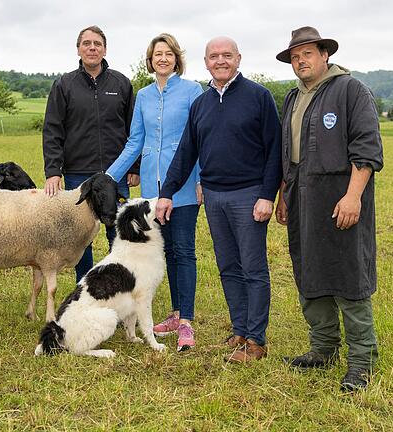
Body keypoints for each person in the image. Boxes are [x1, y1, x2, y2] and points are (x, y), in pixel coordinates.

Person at [155, 37, 282, 362]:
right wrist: (167, 192)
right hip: (214, 196)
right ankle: (239, 331)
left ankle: (256, 341)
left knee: (253, 268)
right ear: (206, 61)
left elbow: (275, 150)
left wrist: (267, 195)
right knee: (228, 267)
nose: (221, 60)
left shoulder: (258, 97)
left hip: (249, 195)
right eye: (214, 56)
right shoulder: (202, 103)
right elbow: (186, 153)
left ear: (239, 58)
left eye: (227, 55)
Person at [274, 26, 383, 391]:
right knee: (310, 271)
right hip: (302, 197)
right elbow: (288, 155)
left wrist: (353, 196)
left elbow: (366, 149)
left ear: (325, 55)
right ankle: (323, 349)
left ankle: (362, 361)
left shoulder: (351, 90)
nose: (300, 60)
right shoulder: (292, 98)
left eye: (307, 53)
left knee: (348, 275)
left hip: (339, 195)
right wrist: (284, 195)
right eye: (294, 56)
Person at [105, 33, 203, 352]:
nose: (162, 58)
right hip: (151, 190)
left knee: (184, 249)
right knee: (167, 251)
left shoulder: (191, 91)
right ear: (150, 60)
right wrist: (108, 177)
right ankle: (173, 314)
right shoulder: (144, 96)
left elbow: (199, 139)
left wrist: (200, 180)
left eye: (168, 53)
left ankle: (186, 321)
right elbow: (135, 141)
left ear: (177, 58)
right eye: (157, 54)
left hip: (185, 184)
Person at [42, 25, 137, 283]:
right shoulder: (64, 85)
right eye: (86, 43)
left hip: (115, 173)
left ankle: (119, 284)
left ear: (105, 49)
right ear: (78, 49)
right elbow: (52, 130)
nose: (92, 48)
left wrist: (134, 167)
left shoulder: (121, 84)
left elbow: (133, 129)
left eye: (97, 43)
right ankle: (85, 290)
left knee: (118, 232)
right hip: (77, 174)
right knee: (81, 236)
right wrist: (53, 171)